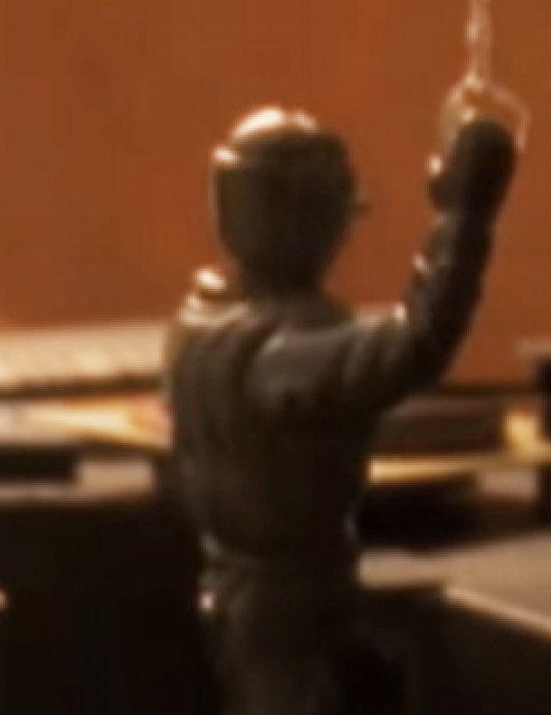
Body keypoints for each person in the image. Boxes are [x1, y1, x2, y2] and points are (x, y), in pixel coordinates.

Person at [164, 105, 518, 715]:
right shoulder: (270, 353)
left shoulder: (201, 322)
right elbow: (418, 342)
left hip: (249, 591)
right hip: (285, 609)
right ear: (304, 220)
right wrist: (464, 220)